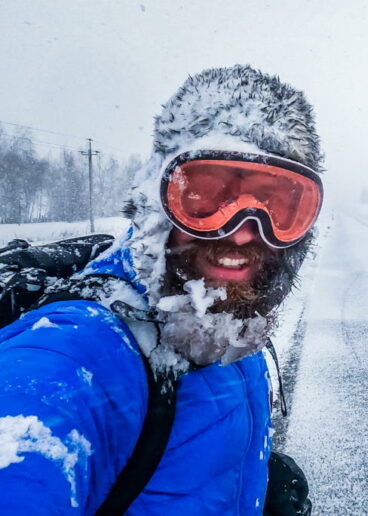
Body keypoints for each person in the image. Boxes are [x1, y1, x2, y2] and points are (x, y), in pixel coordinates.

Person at [0, 65, 323, 514]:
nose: (246, 232)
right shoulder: (77, 357)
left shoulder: (229, 327)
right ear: (158, 199)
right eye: (208, 197)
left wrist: (250, 478)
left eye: (279, 205)